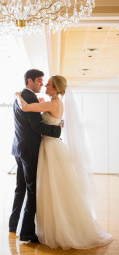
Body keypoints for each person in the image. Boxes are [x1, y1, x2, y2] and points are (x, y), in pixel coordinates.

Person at [16, 75, 113, 250]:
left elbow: (25, 107)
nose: (45, 85)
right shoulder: (55, 102)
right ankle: (57, 227)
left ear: (55, 88)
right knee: (53, 188)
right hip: (50, 146)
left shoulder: (53, 104)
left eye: (49, 84)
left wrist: (18, 95)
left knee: (54, 187)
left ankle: (61, 228)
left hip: (50, 147)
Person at [9, 69, 62, 243]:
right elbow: (36, 127)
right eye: (40, 81)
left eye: (44, 82)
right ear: (30, 80)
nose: (42, 84)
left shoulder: (20, 96)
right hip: (29, 149)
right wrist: (57, 130)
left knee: (21, 188)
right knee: (32, 189)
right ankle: (26, 233)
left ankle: (13, 224)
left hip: (19, 148)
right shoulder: (28, 97)